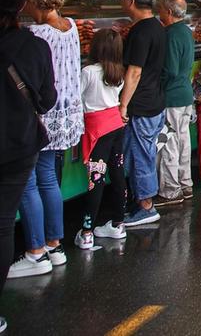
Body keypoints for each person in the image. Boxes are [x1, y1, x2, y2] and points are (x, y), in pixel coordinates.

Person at [12, 0, 80, 276]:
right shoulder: (72, 27)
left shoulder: (36, 33)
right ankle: (54, 245)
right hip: (65, 111)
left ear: (35, 1)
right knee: (49, 179)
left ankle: (36, 252)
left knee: (28, 183)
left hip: (41, 113)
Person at [0, 0, 57, 298]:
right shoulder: (35, 45)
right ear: (23, 5)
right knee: (4, 223)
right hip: (20, 145)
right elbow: (47, 99)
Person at [118, 0, 167, 226]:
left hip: (142, 104)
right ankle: (139, 200)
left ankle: (146, 206)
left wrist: (123, 104)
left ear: (131, 1)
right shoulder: (158, 27)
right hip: (155, 100)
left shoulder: (140, 31)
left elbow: (134, 72)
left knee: (141, 155)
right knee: (141, 153)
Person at [75, 29, 128, 249]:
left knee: (95, 180)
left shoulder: (88, 72)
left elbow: (76, 98)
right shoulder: (119, 72)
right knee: (117, 174)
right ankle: (118, 223)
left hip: (97, 130)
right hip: (116, 124)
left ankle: (87, 232)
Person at [154, 0, 195, 207]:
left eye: (160, 9)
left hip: (171, 95)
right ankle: (185, 183)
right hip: (185, 94)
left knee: (168, 143)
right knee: (183, 141)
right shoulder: (186, 31)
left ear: (169, 12)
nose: (158, 12)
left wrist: (154, 83)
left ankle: (170, 190)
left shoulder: (169, 34)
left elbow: (169, 69)